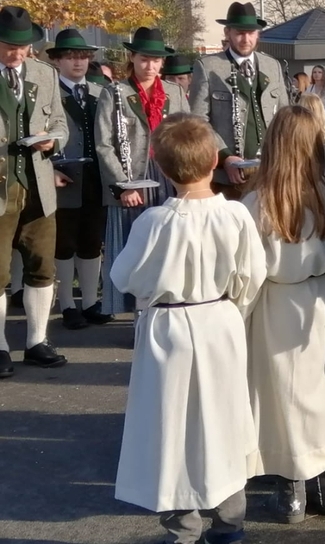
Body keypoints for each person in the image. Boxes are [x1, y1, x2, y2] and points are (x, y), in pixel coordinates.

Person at [110, 113, 267, 544]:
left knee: (172, 424)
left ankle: (182, 528)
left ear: (161, 167)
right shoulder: (235, 215)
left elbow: (124, 276)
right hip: (219, 321)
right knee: (224, 419)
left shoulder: (154, 221)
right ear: (215, 159)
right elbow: (253, 275)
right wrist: (231, 305)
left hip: (169, 326)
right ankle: (230, 523)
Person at [242, 106, 325, 523]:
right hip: (320, 305)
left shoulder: (257, 202)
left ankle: (290, 489)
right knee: (320, 394)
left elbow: (244, 272)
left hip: (272, 305)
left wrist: (234, 320)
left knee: (278, 396)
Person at [95, 27, 188, 319]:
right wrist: (123, 186)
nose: (150, 66)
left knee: (167, 246)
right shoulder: (115, 93)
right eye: (144, 59)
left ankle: (165, 312)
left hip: (167, 177)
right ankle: (138, 316)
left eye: (156, 60)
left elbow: (188, 135)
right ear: (132, 58)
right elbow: (103, 144)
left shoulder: (174, 92)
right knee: (134, 249)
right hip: (131, 179)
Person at [0, 6, 70, 377]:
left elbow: (60, 124)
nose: (18, 53)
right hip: (2, 187)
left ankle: (37, 341)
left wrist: (52, 141)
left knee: (42, 266)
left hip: (38, 186)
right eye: (10, 46)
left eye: (23, 46)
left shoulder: (45, 73)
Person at [188, 2, 289, 199]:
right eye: (240, 33)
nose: (246, 39)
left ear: (258, 34)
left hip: (270, 171)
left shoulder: (272, 66)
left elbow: (285, 116)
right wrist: (225, 157)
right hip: (229, 177)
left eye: (251, 33)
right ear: (228, 33)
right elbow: (198, 121)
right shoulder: (208, 67)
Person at [47, 29, 112, 329]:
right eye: (70, 57)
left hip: (96, 177)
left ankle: (89, 302)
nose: (78, 62)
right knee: (64, 243)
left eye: (83, 57)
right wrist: (50, 170)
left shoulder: (101, 93)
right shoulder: (50, 93)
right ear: (57, 60)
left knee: (91, 241)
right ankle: (67, 304)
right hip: (64, 176)